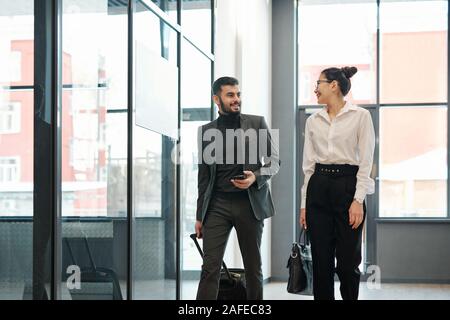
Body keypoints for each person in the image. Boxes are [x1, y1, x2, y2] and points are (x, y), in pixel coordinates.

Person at [195, 76, 279, 300]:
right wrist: (199, 216)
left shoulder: (256, 123)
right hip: (217, 206)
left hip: (249, 204)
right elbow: (203, 178)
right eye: (230, 95)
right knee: (210, 268)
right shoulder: (205, 131)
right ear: (217, 99)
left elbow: (274, 161)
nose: (236, 99)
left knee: (253, 268)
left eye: (238, 94)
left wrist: (256, 177)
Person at [299, 66, 375, 300]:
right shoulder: (313, 120)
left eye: (318, 84)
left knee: (347, 262)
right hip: (318, 187)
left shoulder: (361, 116)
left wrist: (358, 200)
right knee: (321, 262)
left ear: (333, 85)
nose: (315, 89)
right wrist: (304, 204)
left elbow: (366, 162)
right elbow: (308, 166)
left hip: (348, 186)